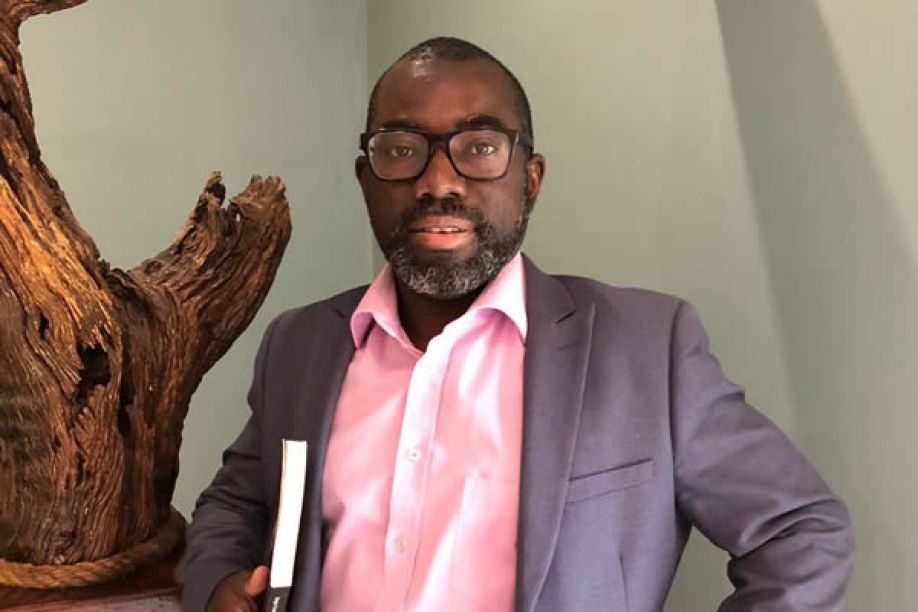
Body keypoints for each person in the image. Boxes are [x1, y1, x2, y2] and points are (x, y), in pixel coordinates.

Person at [182, 37, 853, 612]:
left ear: (530, 180)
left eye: (479, 147)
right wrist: (216, 584)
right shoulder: (301, 344)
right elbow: (236, 503)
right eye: (402, 148)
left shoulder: (648, 349)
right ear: (366, 177)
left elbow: (800, 531)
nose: (437, 181)